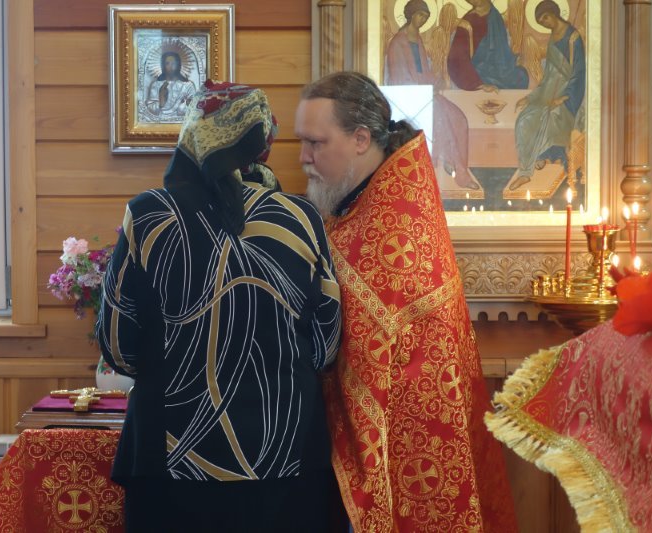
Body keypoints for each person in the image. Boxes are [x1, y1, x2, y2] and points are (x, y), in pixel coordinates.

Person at [97, 80, 344, 532]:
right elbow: (326, 344)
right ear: (262, 142)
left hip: (168, 459)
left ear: (192, 134)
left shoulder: (149, 215)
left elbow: (117, 343)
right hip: (286, 457)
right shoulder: (302, 217)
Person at [295, 71, 518, 532]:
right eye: (302, 142)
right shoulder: (362, 204)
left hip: (407, 441)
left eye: (315, 143)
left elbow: (357, 346)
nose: (303, 158)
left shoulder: (396, 224)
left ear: (361, 139)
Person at [384, 0, 479, 190]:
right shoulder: (397, 43)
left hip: (426, 94)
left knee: (458, 118)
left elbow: (424, 71)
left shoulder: (417, 39)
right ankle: (459, 171)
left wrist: (436, 81)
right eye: (420, 15)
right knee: (441, 118)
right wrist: (425, 89)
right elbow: (398, 79)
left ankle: (451, 160)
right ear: (411, 15)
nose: (423, 20)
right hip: (411, 99)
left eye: (426, 17)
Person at [511, 0, 585, 191]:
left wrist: (564, 97)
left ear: (554, 13)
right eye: (540, 21)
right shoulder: (553, 38)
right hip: (548, 93)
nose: (544, 23)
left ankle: (527, 171)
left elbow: (579, 74)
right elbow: (548, 77)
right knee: (524, 120)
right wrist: (531, 97)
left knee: (548, 116)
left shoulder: (573, 38)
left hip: (570, 98)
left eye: (545, 17)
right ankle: (535, 159)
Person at [447, 0, 528, 91]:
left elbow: (502, 50)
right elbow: (457, 57)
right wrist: (477, 84)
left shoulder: (495, 16)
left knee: (521, 75)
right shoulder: (467, 21)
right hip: (477, 72)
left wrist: (513, 60)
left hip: (498, 68)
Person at [144, 51, 197, 122]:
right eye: (167, 63)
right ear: (163, 66)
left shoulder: (188, 85)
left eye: (173, 63)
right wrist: (161, 102)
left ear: (178, 65)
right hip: (160, 122)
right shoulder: (156, 85)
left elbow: (194, 108)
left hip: (181, 122)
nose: (171, 66)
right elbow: (150, 109)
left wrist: (183, 106)